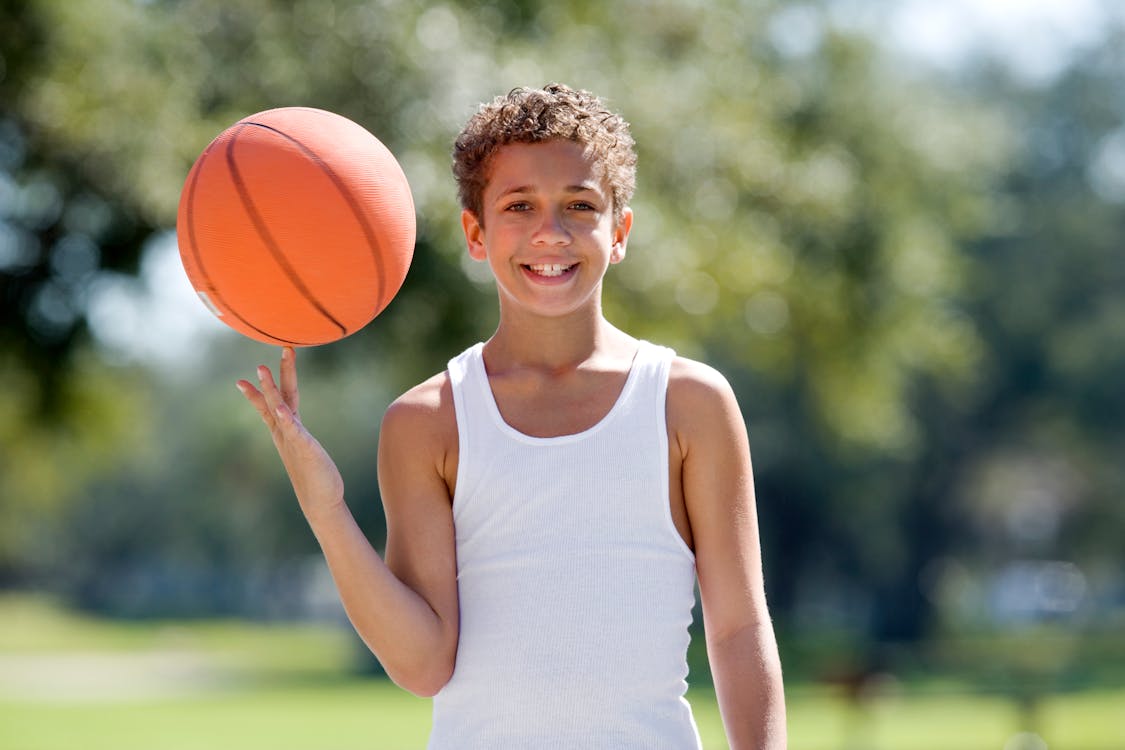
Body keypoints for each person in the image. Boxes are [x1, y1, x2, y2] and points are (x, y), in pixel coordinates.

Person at [237, 83, 785, 749]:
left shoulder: (688, 404)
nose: (549, 232)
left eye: (578, 206)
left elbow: (737, 629)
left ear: (619, 232)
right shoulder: (427, 422)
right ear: (476, 233)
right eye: (518, 206)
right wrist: (326, 509)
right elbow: (421, 663)